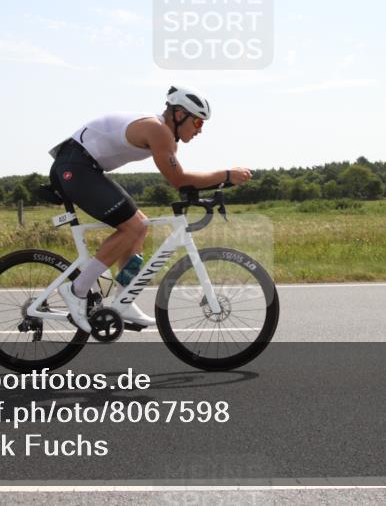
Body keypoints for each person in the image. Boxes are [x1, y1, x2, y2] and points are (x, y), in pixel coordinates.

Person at [47, 86, 252, 333]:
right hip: (75, 167)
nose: (200, 129)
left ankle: (124, 301)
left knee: (139, 227)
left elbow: (182, 181)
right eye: (197, 121)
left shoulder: (163, 134)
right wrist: (226, 174)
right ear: (179, 115)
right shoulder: (158, 131)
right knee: (132, 226)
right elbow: (180, 180)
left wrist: (220, 182)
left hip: (84, 167)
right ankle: (76, 289)